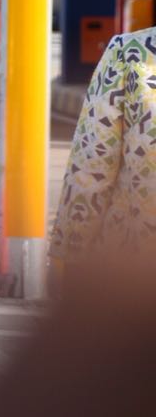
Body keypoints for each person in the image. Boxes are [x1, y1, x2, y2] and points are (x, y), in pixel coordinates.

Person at [49, 28, 156, 270]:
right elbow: (90, 167)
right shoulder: (126, 54)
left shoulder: (128, 53)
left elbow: (90, 170)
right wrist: (68, 257)